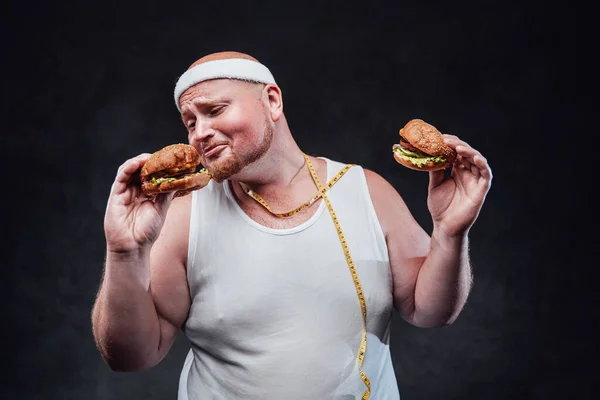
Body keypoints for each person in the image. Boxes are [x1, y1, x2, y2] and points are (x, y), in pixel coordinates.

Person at [91, 51, 492, 400]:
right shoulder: (183, 215)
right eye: (190, 122)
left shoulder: (365, 190)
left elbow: (429, 310)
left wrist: (450, 233)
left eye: (214, 111)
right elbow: (132, 356)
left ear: (272, 100)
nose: (200, 133)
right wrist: (123, 252)